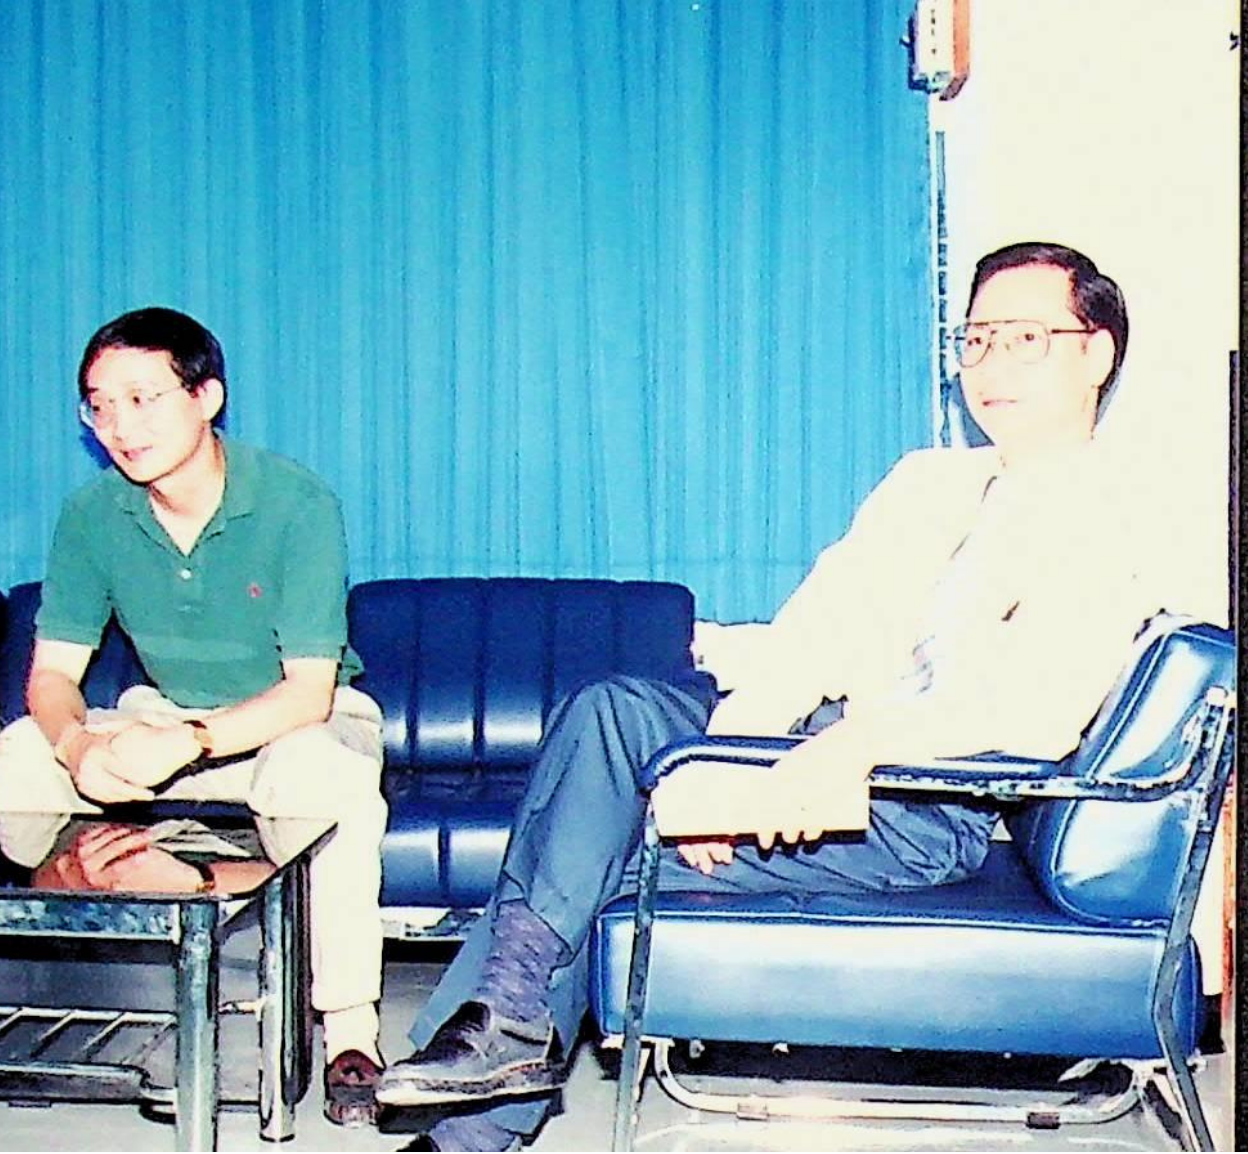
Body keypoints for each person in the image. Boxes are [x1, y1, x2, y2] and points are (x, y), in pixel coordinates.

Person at [377, 242, 1169, 1151]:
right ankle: (507, 1028)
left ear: (1096, 354)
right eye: (977, 339)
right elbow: (815, 635)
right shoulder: (928, 482)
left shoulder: (1113, 514)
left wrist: (839, 753)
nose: (989, 365)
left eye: (1024, 338)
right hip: (812, 752)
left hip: (917, 798)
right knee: (612, 711)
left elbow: (1031, 713)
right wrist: (716, 775)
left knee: (588, 849)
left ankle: (475, 1109)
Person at [0, 306, 388, 1127]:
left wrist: (190, 742)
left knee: (320, 774)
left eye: (143, 399)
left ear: (206, 397)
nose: (119, 426)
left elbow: (308, 692)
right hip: (162, 714)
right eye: (100, 406)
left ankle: (351, 1032)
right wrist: (76, 745)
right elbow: (52, 676)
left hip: (290, 722)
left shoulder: (295, 502)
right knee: (23, 753)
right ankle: (67, 969)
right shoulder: (92, 514)